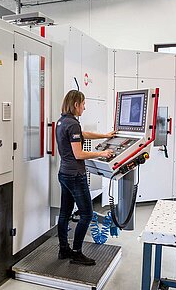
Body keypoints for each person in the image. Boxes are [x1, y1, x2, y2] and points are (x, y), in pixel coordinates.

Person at [56, 90, 115, 266]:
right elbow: (79, 153)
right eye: (83, 104)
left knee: (65, 213)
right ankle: (76, 253)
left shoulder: (62, 121)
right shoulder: (72, 124)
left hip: (64, 174)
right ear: (76, 104)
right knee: (87, 214)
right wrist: (102, 153)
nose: (84, 107)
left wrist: (105, 135)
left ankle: (63, 249)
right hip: (75, 175)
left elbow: (84, 134)